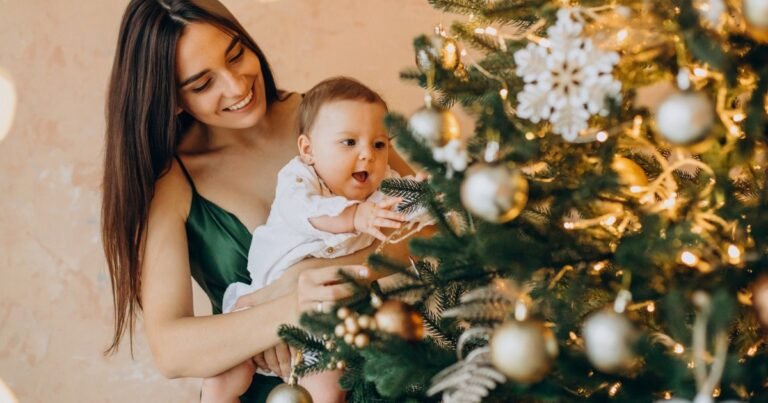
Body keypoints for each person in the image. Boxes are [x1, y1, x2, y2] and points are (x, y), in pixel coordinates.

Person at [101, 1, 414, 402]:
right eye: (202, 84)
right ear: (171, 98)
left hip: (400, 369)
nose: (236, 86)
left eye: (236, 55)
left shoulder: (330, 119)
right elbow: (171, 350)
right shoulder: (172, 182)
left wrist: (305, 278)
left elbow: (430, 225)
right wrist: (284, 308)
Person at [204, 77, 416, 402]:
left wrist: (429, 192)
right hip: (263, 303)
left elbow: (418, 214)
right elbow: (310, 213)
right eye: (349, 142)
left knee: (328, 387)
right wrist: (354, 217)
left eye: (379, 144)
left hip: (324, 318)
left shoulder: (382, 187)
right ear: (308, 150)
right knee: (223, 374)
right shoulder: (299, 179)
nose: (367, 156)